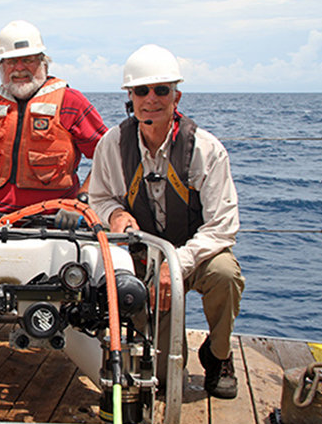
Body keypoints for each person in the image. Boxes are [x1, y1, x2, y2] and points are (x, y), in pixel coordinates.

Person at [88, 44, 245, 399]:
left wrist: (175, 264)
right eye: (142, 90)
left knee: (225, 275)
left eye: (162, 90)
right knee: (160, 380)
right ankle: (158, 351)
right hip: (144, 256)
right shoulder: (112, 145)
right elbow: (98, 198)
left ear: (177, 95)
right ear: (130, 96)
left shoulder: (206, 149)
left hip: (195, 255)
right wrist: (115, 213)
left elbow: (223, 226)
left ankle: (218, 356)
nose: (152, 99)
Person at [0, 20, 107, 227]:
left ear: (44, 62)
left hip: (54, 225)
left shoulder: (72, 102)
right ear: (1, 67)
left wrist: (82, 201)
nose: (20, 68)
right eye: (11, 62)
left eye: (28, 60)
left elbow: (106, 157)